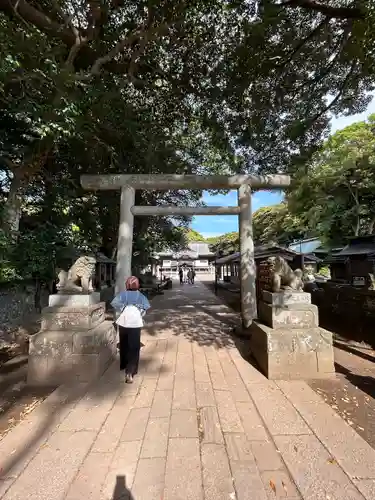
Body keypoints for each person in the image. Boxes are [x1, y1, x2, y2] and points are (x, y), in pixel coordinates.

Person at [111, 276, 150, 383]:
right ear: (137, 285)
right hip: (135, 322)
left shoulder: (123, 294)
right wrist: (139, 312)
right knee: (134, 347)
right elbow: (145, 308)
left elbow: (115, 304)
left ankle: (123, 364)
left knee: (124, 344)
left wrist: (123, 307)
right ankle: (130, 371)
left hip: (123, 321)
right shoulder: (141, 296)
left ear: (127, 285)